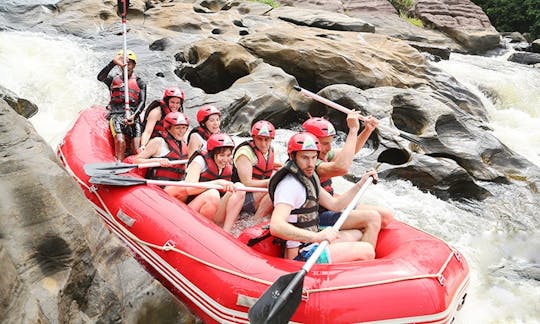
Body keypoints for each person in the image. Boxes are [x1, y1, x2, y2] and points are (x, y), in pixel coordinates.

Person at [269, 132, 376, 263]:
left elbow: (335, 204)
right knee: (367, 250)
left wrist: (360, 184)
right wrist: (316, 236)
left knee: (358, 234)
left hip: (310, 245)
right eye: (305, 158)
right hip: (300, 256)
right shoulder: (289, 185)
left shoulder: (308, 177)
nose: (310, 164)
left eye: (314, 157)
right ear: (292, 157)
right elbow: (276, 226)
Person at [302, 113, 394, 248]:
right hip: (318, 215)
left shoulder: (323, 154)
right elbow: (341, 168)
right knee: (372, 218)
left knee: (386, 216)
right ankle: (363, 254)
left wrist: (367, 129)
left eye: (330, 143)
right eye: (325, 143)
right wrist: (352, 130)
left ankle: (356, 235)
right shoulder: (309, 165)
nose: (329, 148)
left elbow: (350, 152)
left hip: (329, 206)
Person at [166, 133, 245, 232]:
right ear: (213, 154)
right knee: (213, 194)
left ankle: (226, 232)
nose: (225, 159)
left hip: (212, 210)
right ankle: (202, 231)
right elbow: (189, 188)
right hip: (189, 208)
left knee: (240, 188)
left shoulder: (228, 165)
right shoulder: (199, 161)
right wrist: (217, 183)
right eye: (221, 155)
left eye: (228, 155)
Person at [97, 49, 146, 161]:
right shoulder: (113, 79)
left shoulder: (140, 82)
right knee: (120, 141)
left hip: (133, 115)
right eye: (124, 63)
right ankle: (118, 163)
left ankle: (135, 168)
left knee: (136, 148)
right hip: (116, 114)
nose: (127, 66)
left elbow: (143, 102)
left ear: (134, 65)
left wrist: (135, 116)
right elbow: (100, 77)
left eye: (129, 63)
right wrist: (113, 63)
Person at [232, 120, 281, 219]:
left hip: (256, 192)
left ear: (271, 139)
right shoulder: (244, 153)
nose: (263, 144)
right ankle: (255, 221)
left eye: (267, 139)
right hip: (240, 197)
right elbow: (246, 183)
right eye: (259, 139)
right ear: (253, 138)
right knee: (273, 190)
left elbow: (267, 164)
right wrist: (271, 182)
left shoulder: (270, 150)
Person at [132, 112, 189, 181]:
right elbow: (136, 161)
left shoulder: (184, 145)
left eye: (184, 128)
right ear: (168, 128)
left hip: (175, 185)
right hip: (158, 186)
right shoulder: (158, 142)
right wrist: (158, 160)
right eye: (178, 128)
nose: (181, 131)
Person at [139, 86, 185, 152]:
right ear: (167, 101)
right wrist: (143, 145)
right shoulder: (157, 112)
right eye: (172, 102)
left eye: (177, 103)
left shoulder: (179, 114)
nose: (175, 106)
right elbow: (147, 132)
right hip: (154, 141)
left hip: (169, 141)